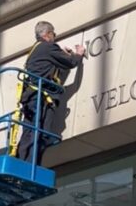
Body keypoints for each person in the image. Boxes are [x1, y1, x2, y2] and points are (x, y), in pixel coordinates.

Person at [17, 21, 85, 165]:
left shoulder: (35, 50)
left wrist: (60, 55)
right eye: (54, 35)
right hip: (40, 98)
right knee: (40, 133)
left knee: (29, 133)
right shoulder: (48, 47)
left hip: (30, 98)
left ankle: (22, 164)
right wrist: (78, 54)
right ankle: (31, 167)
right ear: (48, 34)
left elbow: (48, 65)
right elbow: (71, 62)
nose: (55, 38)